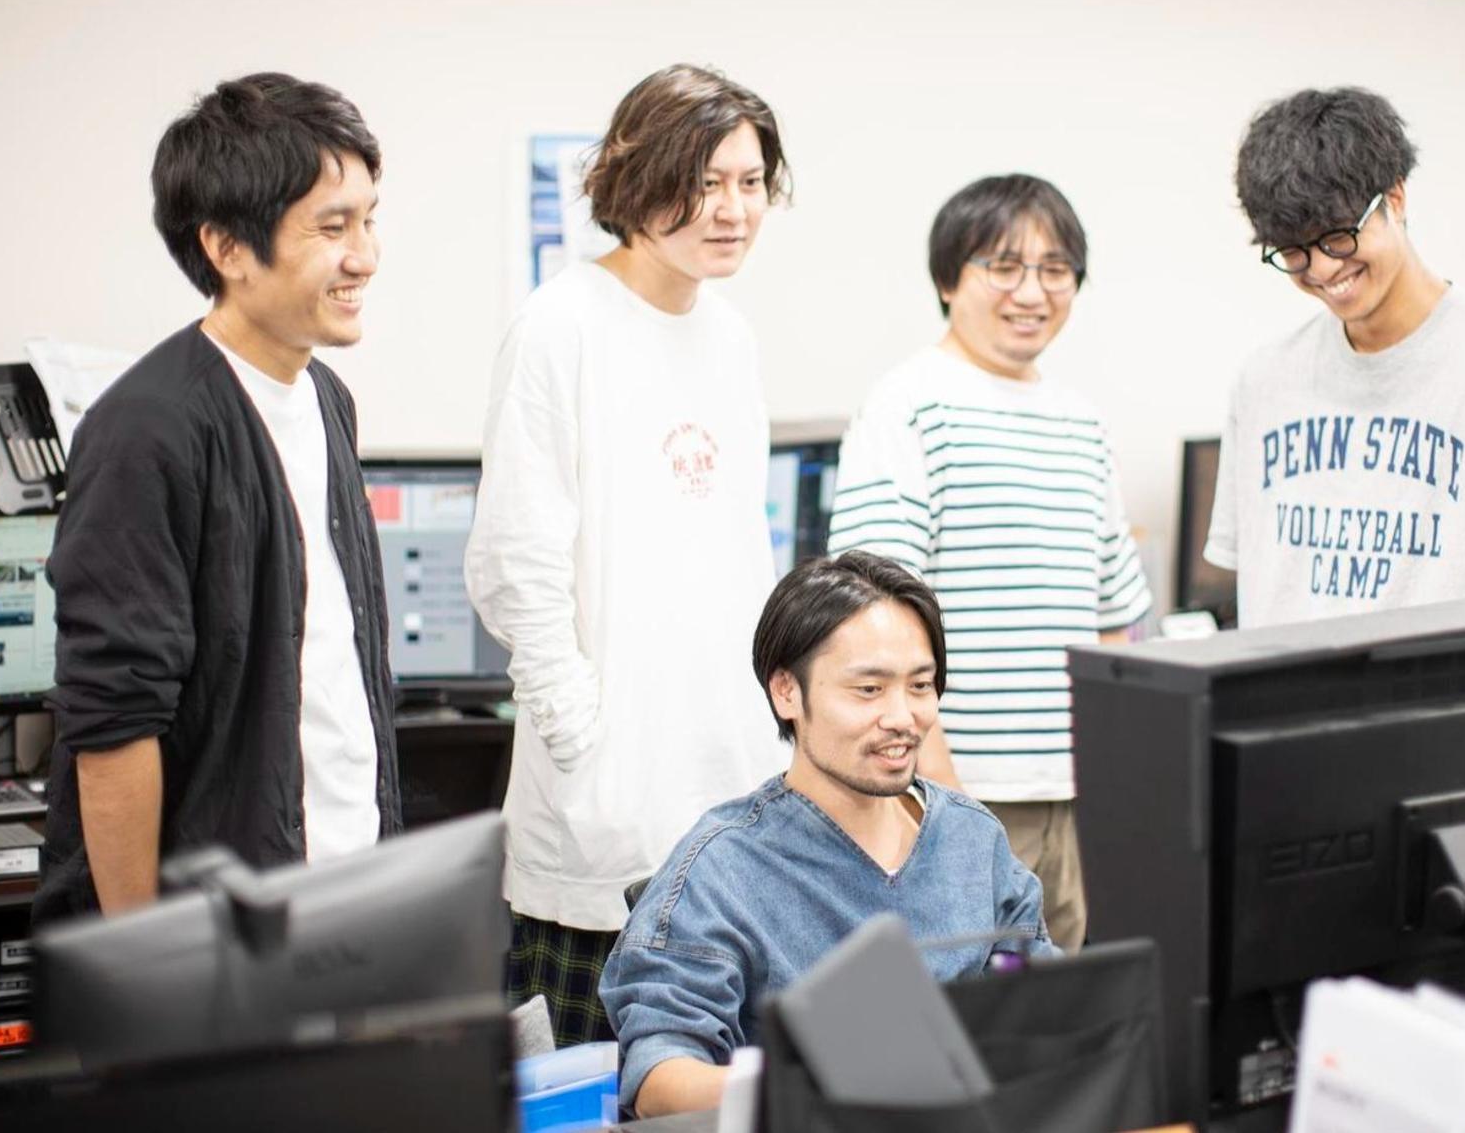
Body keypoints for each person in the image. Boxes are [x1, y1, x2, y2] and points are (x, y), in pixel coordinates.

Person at [466, 64, 792, 1045]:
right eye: (705, 181)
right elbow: (514, 563)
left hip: (730, 792)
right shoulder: (560, 325)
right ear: (637, 179)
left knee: (723, 1090)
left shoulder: (730, 336)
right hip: (603, 810)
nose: (732, 209)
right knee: (600, 1087)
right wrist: (586, 744)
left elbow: (735, 551)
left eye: (750, 182)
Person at [36, 72, 399, 921]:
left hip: (342, 891)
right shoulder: (148, 429)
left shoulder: (327, 399)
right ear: (228, 248)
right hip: (207, 926)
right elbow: (114, 725)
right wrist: (144, 953)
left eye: (369, 219)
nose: (365, 256)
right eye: (332, 227)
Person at [600, 552, 1055, 1117]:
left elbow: (1046, 1008)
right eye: (869, 689)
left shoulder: (972, 839)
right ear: (786, 692)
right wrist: (816, 1085)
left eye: (920, 685)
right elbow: (658, 1081)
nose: (903, 716)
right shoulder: (722, 868)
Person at [825, 174, 1151, 952]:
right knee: (956, 1017)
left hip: (1075, 805)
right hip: (953, 799)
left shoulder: (1083, 424)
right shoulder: (908, 405)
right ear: (949, 279)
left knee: (1065, 1010)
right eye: (1004, 266)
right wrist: (945, 802)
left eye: (1055, 268)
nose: (1031, 291)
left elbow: (1115, 623)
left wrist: (1116, 786)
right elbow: (872, 626)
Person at [1207, 86, 1465, 628]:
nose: (1322, 269)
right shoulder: (1263, 380)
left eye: (1338, 237)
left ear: (1395, 198)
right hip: (1276, 682)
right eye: (1293, 251)